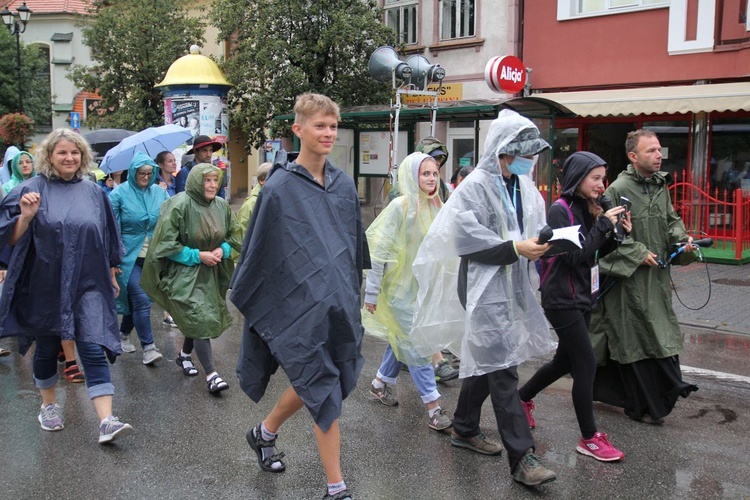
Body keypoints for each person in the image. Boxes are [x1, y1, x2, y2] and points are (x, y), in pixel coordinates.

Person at [410, 110, 558, 487]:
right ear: (502, 151)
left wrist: (539, 243)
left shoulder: (522, 184)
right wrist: (515, 247)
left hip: (513, 284)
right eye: (520, 152)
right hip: (482, 287)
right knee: (503, 367)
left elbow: (525, 229)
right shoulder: (475, 185)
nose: (527, 159)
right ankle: (522, 457)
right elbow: (464, 239)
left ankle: (463, 427)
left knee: (485, 359)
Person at [231, 93, 363, 500]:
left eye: (332, 126)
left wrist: (359, 296)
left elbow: (352, 249)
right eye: (319, 125)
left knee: (328, 380)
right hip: (296, 309)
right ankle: (336, 487)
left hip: (338, 304)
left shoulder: (342, 185)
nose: (327, 133)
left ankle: (264, 432)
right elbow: (262, 256)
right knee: (322, 385)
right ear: (298, 129)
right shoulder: (279, 188)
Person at [0, 129, 133, 444]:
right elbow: (9, 241)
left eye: (74, 153)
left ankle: (106, 420)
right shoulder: (29, 190)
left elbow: (107, 237)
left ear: (83, 156)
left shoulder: (94, 192)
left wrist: (112, 273)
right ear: (49, 156)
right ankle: (48, 405)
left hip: (88, 280)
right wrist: (26, 217)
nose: (69, 158)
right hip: (45, 282)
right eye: (62, 153)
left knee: (91, 343)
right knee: (47, 346)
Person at [517, 151, 628, 462]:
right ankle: (589, 438)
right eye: (595, 178)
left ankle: (521, 398)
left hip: (582, 295)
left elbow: (594, 252)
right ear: (577, 178)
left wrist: (616, 233)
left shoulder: (587, 208)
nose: (601, 185)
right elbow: (574, 255)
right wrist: (603, 227)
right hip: (560, 299)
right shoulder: (560, 210)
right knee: (586, 363)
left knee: (564, 362)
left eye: (603, 179)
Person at [590, 129, 698, 424]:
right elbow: (608, 240)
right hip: (629, 282)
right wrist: (638, 253)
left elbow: (671, 220)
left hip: (657, 279)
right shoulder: (616, 190)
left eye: (659, 149)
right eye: (650, 150)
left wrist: (681, 242)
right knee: (635, 338)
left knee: (659, 333)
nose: (658, 154)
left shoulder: (660, 186)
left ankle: (659, 397)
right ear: (633, 157)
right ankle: (641, 404)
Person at [363, 152, 451, 431]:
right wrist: (372, 293)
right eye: (424, 174)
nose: (431, 179)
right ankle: (434, 408)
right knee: (418, 345)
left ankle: (380, 384)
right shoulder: (400, 207)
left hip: (424, 292)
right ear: (411, 177)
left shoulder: (438, 206)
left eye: (434, 173)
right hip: (400, 291)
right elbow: (378, 252)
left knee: (400, 338)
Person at [141, 163, 241, 393]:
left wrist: (222, 250)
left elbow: (234, 234)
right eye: (207, 180)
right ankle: (212, 375)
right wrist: (197, 255)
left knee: (197, 317)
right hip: (183, 274)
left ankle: (185, 354)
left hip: (210, 273)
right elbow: (165, 245)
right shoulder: (178, 205)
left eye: (215, 180)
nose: (212, 185)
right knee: (198, 317)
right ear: (196, 181)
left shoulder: (221, 206)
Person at [109, 152, 169, 365]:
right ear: (132, 172)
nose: (145, 176)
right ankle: (149, 348)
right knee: (141, 299)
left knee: (139, 302)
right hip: (128, 258)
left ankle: (123, 334)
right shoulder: (118, 195)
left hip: (153, 257)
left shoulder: (160, 193)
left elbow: (170, 220)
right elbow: (111, 229)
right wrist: (112, 261)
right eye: (141, 173)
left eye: (149, 173)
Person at [388, 136, 450, 203]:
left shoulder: (440, 186)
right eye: (434, 158)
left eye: (440, 158)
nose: (437, 162)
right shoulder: (403, 188)